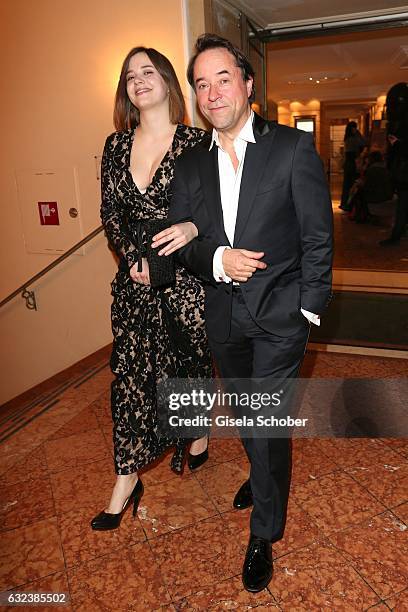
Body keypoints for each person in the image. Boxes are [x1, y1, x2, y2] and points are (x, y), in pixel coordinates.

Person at [155, 33, 333, 592]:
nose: (212, 93)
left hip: (281, 317)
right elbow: (184, 240)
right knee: (247, 414)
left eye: (222, 79)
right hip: (224, 317)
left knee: (264, 420)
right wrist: (214, 257)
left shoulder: (291, 149)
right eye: (201, 85)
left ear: (248, 84)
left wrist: (307, 309)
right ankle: (261, 476)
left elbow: (317, 237)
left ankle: (264, 533)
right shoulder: (187, 165)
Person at [91, 47, 212, 531]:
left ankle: (195, 435)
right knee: (129, 379)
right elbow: (109, 213)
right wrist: (131, 256)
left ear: (166, 81)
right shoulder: (115, 146)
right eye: (129, 75)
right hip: (134, 284)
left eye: (148, 71)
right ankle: (126, 478)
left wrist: (192, 229)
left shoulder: (198, 145)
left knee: (189, 365)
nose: (138, 80)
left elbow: (216, 212)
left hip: (185, 282)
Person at [380, 82, 408, 246]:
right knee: (403, 203)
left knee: (403, 204)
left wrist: (397, 144)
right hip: (401, 170)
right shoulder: (397, 121)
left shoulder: (398, 121)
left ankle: (397, 234)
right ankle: (398, 232)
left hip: (403, 171)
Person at [339, 120, 366, 211]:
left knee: (347, 185)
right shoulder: (352, 139)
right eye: (355, 127)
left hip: (349, 163)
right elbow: (363, 143)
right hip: (353, 164)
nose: (356, 129)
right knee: (352, 184)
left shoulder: (347, 138)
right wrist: (358, 133)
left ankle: (345, 203)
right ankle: (349, 204)